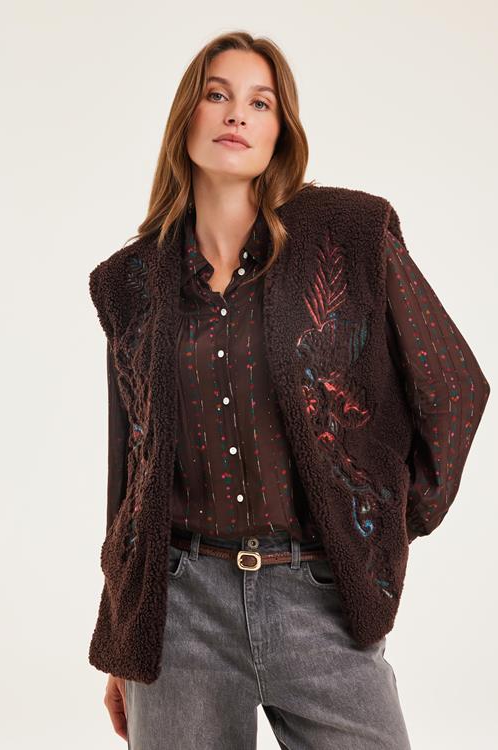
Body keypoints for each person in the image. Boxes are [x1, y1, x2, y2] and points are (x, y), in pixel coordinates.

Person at [89, 31, 490, 749]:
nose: (236, 115)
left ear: (281, 130)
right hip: (178, 615)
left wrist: (379, 526)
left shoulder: (351, 233)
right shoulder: (129, 283)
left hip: (320, 598)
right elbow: (132, 474)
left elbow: (455, 389)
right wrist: (125, 639)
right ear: (187, 116)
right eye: (217, 95)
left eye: (260, 102)